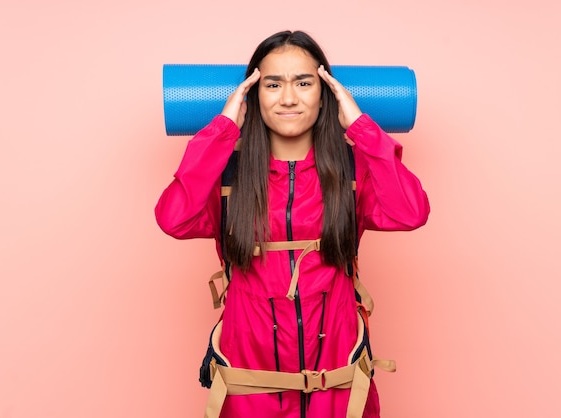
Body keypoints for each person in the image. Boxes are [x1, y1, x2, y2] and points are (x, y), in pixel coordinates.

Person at [155, 30, 430, 418]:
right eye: (272, 84)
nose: (288, 98)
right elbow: (173, 219)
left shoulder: (352, 172)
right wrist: (222, 131)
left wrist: (360, 126)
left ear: (326, 93)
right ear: (253, 95)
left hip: (338, 393)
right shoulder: (226, 176)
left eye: (304, 83)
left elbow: (411, 212)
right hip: (249, 393)